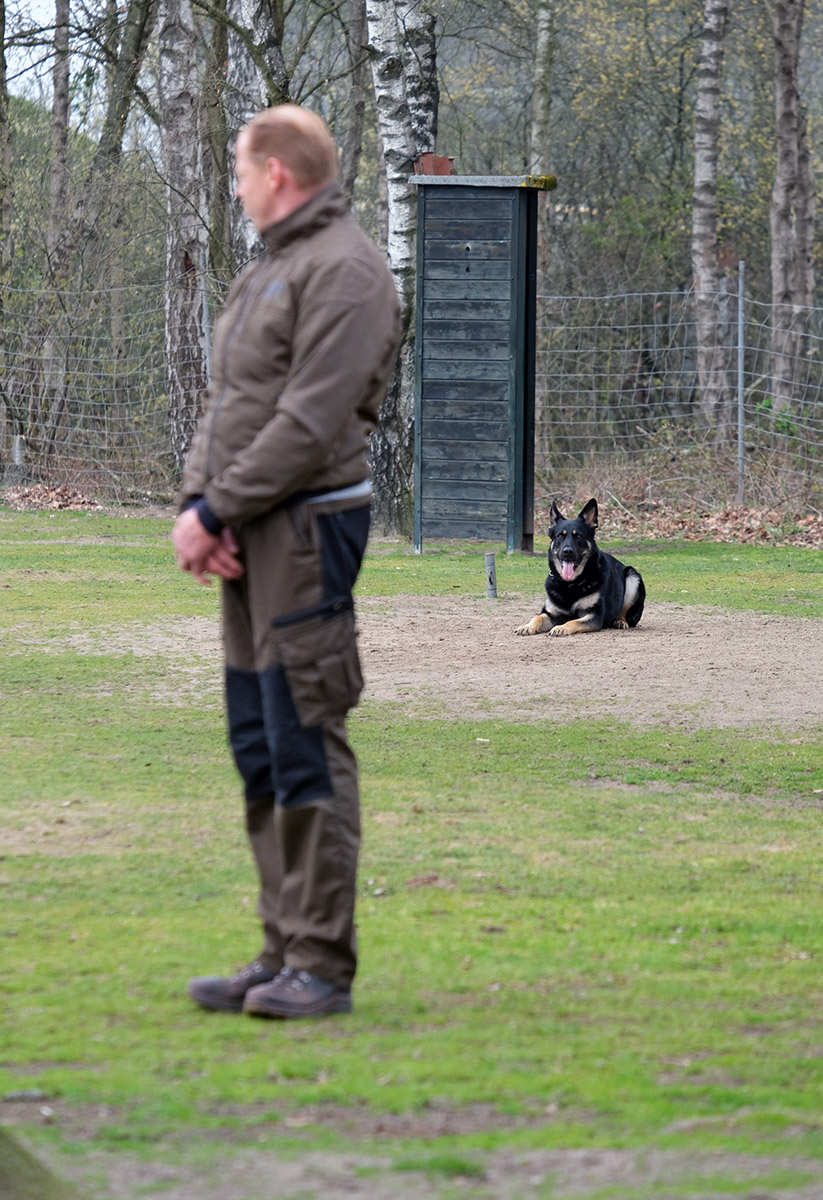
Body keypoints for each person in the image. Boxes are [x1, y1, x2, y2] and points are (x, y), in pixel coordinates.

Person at [171, 104, 400, 1019]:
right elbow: (228, 400)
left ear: (277, 172)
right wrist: (200, 506)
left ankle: (320, 963)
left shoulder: (347, 272)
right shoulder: (273, 269)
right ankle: (278, 950)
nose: (234, 182)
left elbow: (308, 424)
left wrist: (221, 504)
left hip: (305, 531)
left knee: (304, 737)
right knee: (259, 744)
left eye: (240, 166)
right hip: (248, 533)